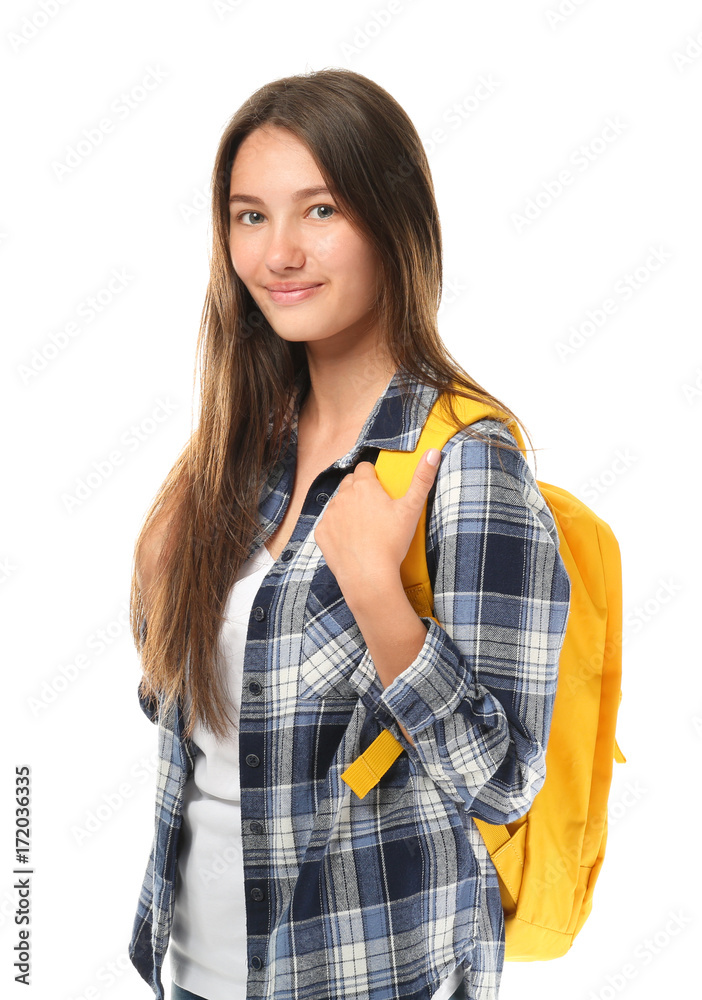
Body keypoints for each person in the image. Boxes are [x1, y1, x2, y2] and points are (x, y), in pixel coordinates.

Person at [127, 68, 571, 1000]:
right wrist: (156, 604)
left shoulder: (467, 462)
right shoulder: (243, 458)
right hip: (197, 976)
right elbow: (228, 727)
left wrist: (378, 597)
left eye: (319, 209)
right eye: (250, 216)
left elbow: (503, 787)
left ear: (393, 221)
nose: (278, 252)